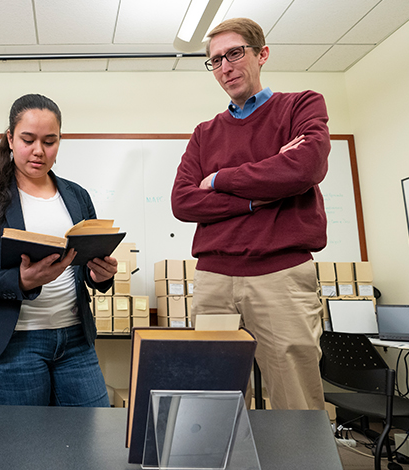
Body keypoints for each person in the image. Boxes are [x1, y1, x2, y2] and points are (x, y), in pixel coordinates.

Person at [170, 18, 329, 410]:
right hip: (214, 278)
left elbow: (304, 169)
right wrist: (256, 197)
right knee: (213, 404)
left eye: (235, 53)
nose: (225, 66)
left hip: (281, 275)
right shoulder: (204, 133)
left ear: (262, 54)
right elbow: (183, 202)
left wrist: (220, 178)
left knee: (297, 403)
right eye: (216, 60)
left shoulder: (301, 105)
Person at [0, 94, 117, 407]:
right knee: (20, 451)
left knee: (88, 443)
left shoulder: (76, 195)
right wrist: (21, 281)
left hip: (75, 342)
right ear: (11, 139)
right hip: (10, 345)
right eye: (28, 139)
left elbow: (86, 262)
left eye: (50, 141)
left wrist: (100, 275)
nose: (39, 151)